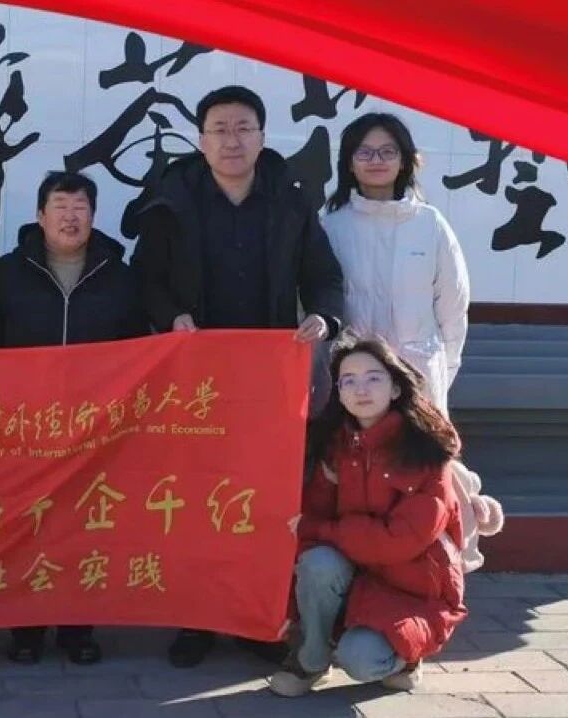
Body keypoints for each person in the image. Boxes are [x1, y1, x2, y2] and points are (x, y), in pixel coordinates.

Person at [132, 84, 345, 668]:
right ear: (200, 141)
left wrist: (324, 318)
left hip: (267, 383)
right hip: (194, 380)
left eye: (243, 127)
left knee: (261, 500)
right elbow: (145, 277)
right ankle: (196, 619)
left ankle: (254, 617)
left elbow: (325, 277)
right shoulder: (172, 201)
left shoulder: (291, 202)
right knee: (193, 497)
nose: (232, 139)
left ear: (262, 136)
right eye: (219, 129)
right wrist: (168, 315)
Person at [0, 171, 147, 665]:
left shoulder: (118, 277)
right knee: (28, 527)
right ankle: (25, 630)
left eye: (80, 207)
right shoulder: (8, 273)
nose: (71, 217)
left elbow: (139, 350)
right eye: (60, 207)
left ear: (94, 215)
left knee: (83, 527)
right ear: (40, 216)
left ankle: (77, 629)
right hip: (25, 426)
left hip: (94, 427)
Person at [322, 112, 502, 570]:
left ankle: (444, 573)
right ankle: (363, 575)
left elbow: (453, 309)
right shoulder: (332, 226)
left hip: (418, 373)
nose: (376, 160)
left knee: (428, 470)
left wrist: (440, 369)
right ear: (348, 162)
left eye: (388, 151)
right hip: (356, 381)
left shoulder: (430, 224)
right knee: (359, 474)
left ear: (405, 160)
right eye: (365, 152)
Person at [269, 335, 467, 696]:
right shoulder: (336, 447)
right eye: (349, 381)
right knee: (317, 562)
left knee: (360, 660)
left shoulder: (426, 450)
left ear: (395, 387)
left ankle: (408, 657)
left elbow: (399, 540)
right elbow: (310, 526)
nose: (361, 389)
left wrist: (324, 529)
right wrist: (291, 609)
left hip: (414, 588)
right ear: (339, 394)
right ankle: (312, 660)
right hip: (358, 577)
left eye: (373, 378)